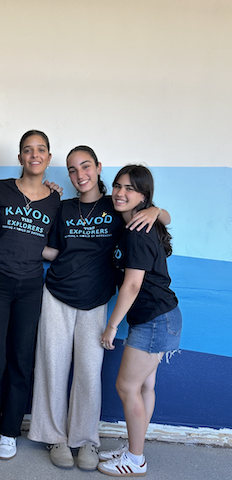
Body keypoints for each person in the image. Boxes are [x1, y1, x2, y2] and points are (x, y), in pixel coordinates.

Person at [28, 146, 171, 471]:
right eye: (72, 169)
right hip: (57, 294)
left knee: (89, 373)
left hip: (96, 301)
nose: (80, 174)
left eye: (86, 166)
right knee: (52, 366)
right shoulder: (62, 207)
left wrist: (157, 209)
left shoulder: (117, 204)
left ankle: (85, 440)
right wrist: (25, 242)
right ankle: (55, 437)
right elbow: (52, 250)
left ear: (98, 167)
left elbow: (159, 216)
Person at [0, 130, 61, 460]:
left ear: (48, 158)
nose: (34, 155)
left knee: (21, 362)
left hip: (29, 288)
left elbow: (53, 247)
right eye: (27, 150)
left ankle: (10, 430)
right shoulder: (2, 189)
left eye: (40, 150)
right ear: (21, 157)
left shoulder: (55, 200)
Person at [97, 165, 182, 477]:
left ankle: (135, 460)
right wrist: (157, 210)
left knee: (126, 386)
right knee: (145, 386)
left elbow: (132, 285)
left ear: (143, 196)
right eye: (118, 186)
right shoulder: (139, 220)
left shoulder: (138, 230)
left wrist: (111, 325)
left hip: (155, 320)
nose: (120, 193)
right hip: (162, 316)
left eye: (130, 189)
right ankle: (136, 449)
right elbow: (167, 217)